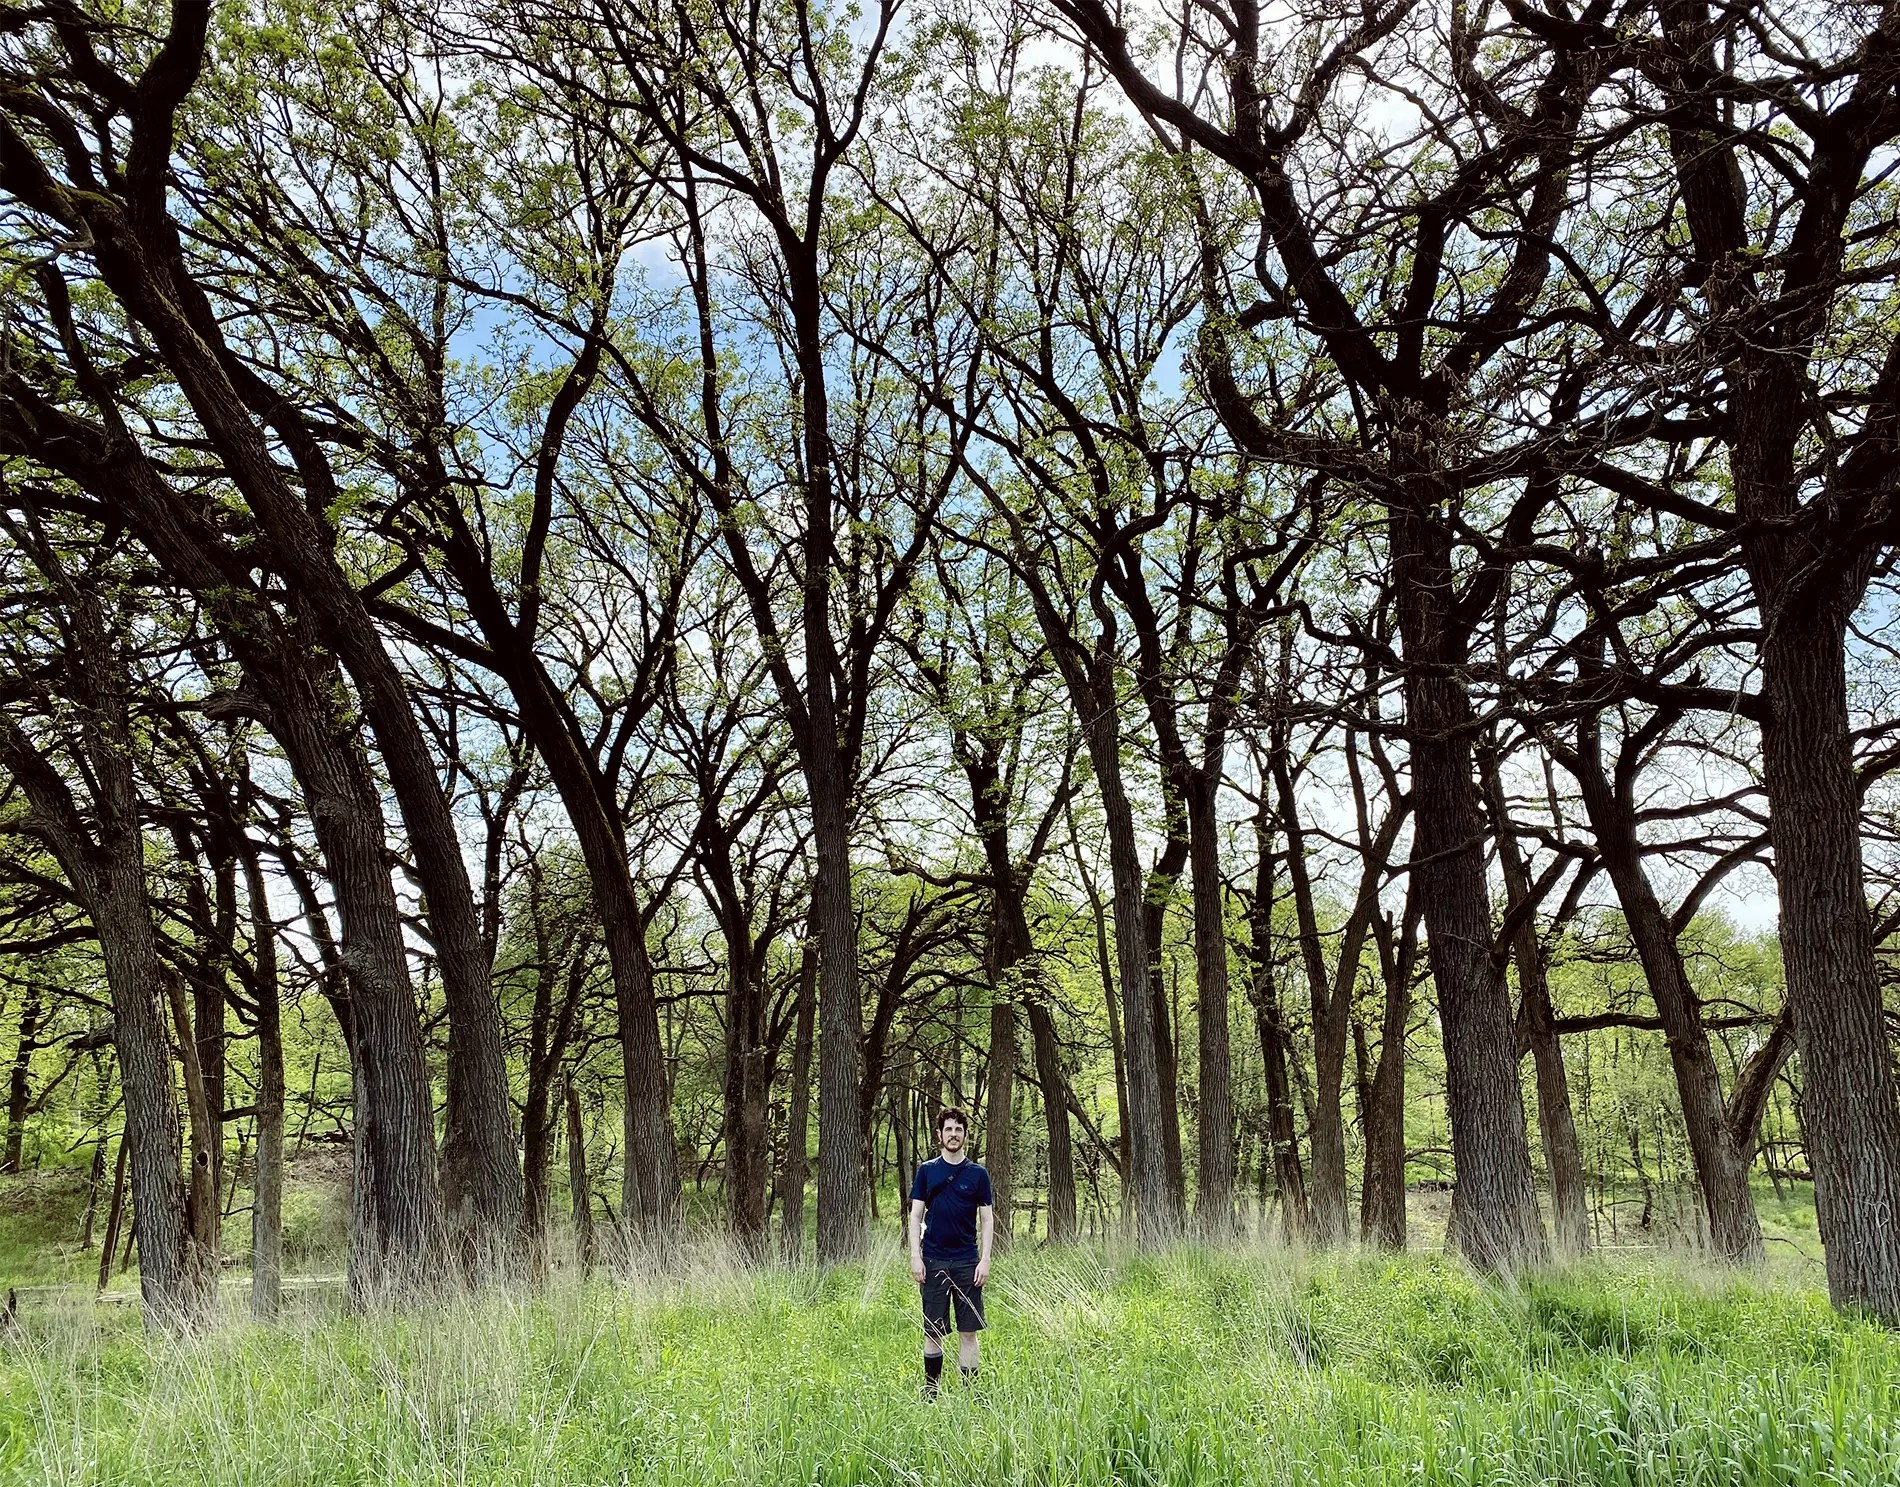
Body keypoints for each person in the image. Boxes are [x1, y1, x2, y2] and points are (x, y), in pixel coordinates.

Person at [908, 1106, 993, 1399]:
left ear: (965, 1136)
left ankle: (970, 1393)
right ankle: (931, 1391)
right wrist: (915, 1257)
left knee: (968, 1331)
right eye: (948, 1129)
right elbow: (915, 1216)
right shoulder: (927, 1171)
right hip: (932, 1260)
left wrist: (985, 1259)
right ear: (939, 1135)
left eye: (958, 1129)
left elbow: (987, 1219)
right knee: (933, 1330)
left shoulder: (978, 1174)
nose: (953, 1134)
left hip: (968, 1262)